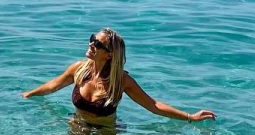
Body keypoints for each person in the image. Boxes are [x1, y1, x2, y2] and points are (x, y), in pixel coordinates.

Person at [22, 27, 216, 123]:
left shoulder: (121, 80)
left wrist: (190, 117)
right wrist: (28, 95)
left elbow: (153, 105)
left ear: (109, 54)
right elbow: (52, 86)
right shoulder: (79, 69)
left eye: (97, 44)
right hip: (77, 127)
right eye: (92, 39)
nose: (91, 45)